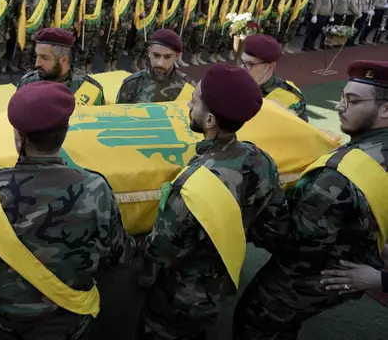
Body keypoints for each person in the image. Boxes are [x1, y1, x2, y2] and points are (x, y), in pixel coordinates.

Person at [0, 80, 135, 339]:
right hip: (68, 320)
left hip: (6, 319)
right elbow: (119, 255)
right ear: (65, 132)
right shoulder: (95, 188)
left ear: (19, 137)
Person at [233, 60, 388, 340]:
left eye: (352, 101)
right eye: (342, 97)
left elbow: (295, 241)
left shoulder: (338, 175)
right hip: (357, 252)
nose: (339, 107)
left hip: (317, 272)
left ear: (386, 109)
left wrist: (255, 207)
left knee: (255, 319)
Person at [139, 63, 288, 340]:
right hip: (222, 282)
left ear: (209, 121)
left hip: (180, 296)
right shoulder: (261, 159)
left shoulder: (194, 183)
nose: (188, 105)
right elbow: (273, 227)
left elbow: (161, 252)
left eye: (194, 101)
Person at [17, 27, 105, 105]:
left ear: (64, 60)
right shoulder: (27, 82)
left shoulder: (90, 89)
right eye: (37, 56)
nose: (37, 64)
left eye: (44, 58)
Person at [240, 34, 308, 121]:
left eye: (249, 64)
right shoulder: (231, 82)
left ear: (269, 67)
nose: (242, 67)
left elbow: (300, 132)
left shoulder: (289, 98)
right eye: (241, 61)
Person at [116, 29, 194, 104]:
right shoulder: (132, 84)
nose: (160, 63)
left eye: (167, 57)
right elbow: (119, 114)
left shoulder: (188, 86)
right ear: (149, 52)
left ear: (177, 56)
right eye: (156, 55)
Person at [75, 0, 104, 72]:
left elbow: (101, 10)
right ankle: (81, 68)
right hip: (85, 25)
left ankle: (89, 66)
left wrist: (102, 27)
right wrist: (78, 20)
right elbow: (76, 8)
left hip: (96, 25)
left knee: (94, 48)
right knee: (83, 48)